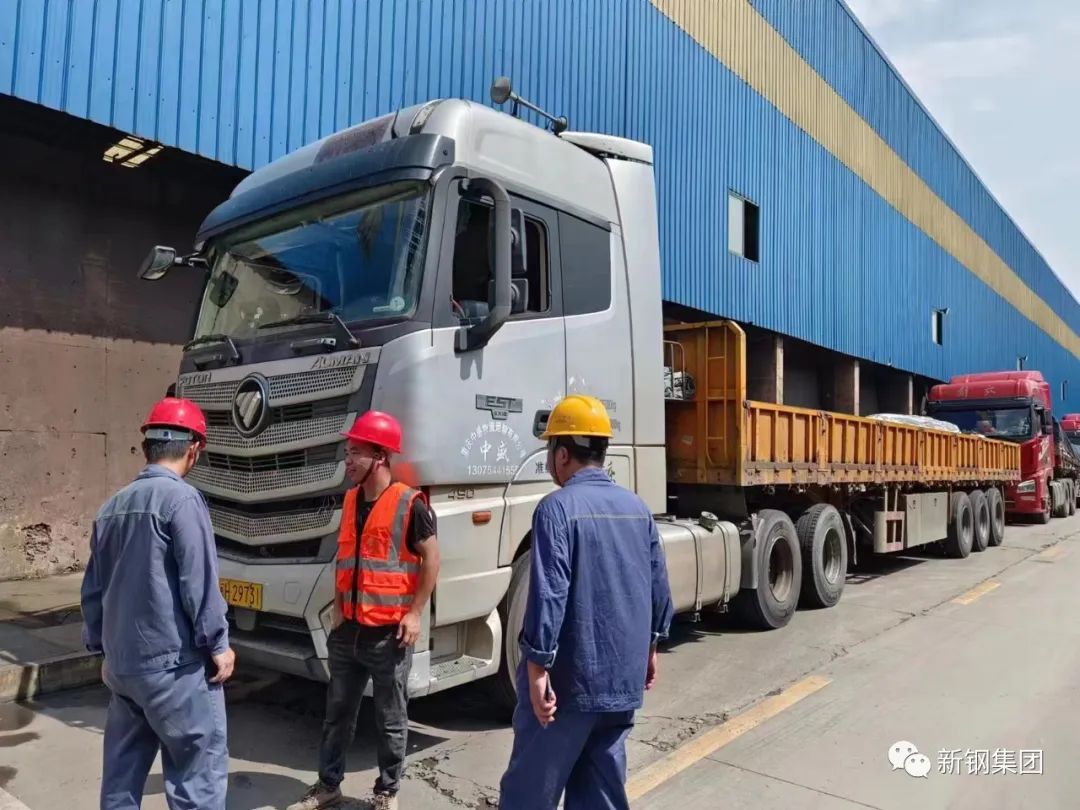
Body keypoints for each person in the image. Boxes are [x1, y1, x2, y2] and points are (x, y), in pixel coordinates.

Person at [498, 395, 675, 809]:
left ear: (562, 454)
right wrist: (651, 647)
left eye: (550, 448)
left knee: (529, 794)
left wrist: (537, 667)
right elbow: (658, 586)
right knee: (601, 794)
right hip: (621, 678)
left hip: (568, 683)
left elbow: (550, 592)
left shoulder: (556, 509)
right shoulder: (637, 508)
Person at [81, 397, 234, 810]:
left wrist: (100, 647)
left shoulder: (111, 507)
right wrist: (218, 643)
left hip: (123, 668)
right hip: (174, 669)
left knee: (121, 780)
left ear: (146, 445)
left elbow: (92, 590)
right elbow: (199, 581)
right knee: (196, 779)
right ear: (194, 448)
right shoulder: (182, 500)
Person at [290, 410, 441, 810]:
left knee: (390, 720)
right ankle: (328, 787)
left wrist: (414, 613)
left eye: (355, 452)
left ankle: (387, 793)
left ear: (380, 456)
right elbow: (346, 562)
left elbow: (432, 559)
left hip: (389, 636)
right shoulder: (351, 499)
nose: (348, 460)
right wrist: (340, 608)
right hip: (348, 632)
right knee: (337, 715)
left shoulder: (410, 504)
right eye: (347, 452)